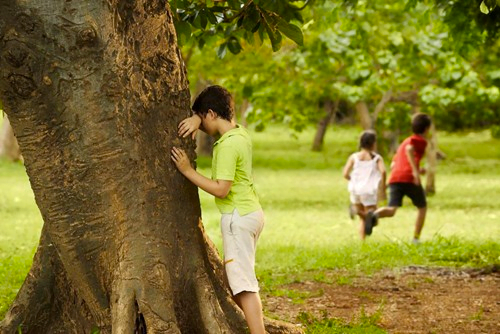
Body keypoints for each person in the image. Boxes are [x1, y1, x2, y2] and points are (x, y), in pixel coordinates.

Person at [171, 85, 266, 334]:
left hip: (238, 217)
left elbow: (221, 189)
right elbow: (213, 118)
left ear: (211, 113)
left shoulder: (226, 146)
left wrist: (187, 171)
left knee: (243, 285)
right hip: (251, 213)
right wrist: (196, 116)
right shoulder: (240, 134)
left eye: (202, 119)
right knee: (234, 281)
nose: (200, 127)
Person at [365, 113, 432, 244]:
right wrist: (415, 173)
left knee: (392, 210)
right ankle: (415, 238)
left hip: (395, 177)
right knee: (422, 207)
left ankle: (374, 215)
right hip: (409, 178)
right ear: (426, 128)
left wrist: (417, 169)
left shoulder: (404, 141)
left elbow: (394, 163)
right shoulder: (419, 141)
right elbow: (410, 150)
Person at [343, 130, 386, 240]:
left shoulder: (354, 157)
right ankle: (357, 212)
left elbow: (345, 173)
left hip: (355, 189)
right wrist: (382, 187)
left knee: (364, 218)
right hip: (369, 190)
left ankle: (362, 241)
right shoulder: (376, 158)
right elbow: (384, 171)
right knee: (373, 218)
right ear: (373, 143)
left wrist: (353, 180)